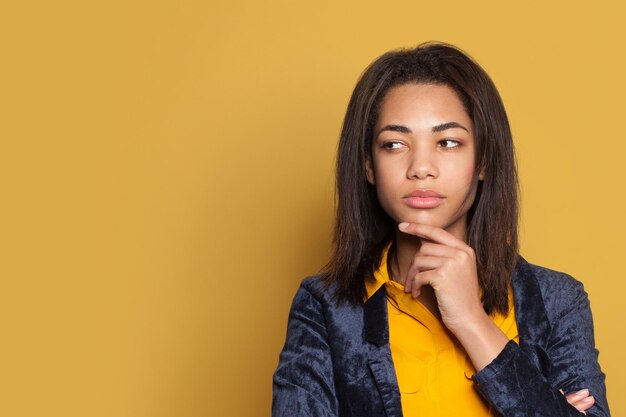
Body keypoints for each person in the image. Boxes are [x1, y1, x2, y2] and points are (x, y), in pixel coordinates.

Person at [272, 42, 610, 417]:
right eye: (395, 144)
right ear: (369, 166)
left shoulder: (555, 299)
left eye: (448, 142)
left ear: (483, 161)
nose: (421, 167)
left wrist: (470, 319)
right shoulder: (325, 306)